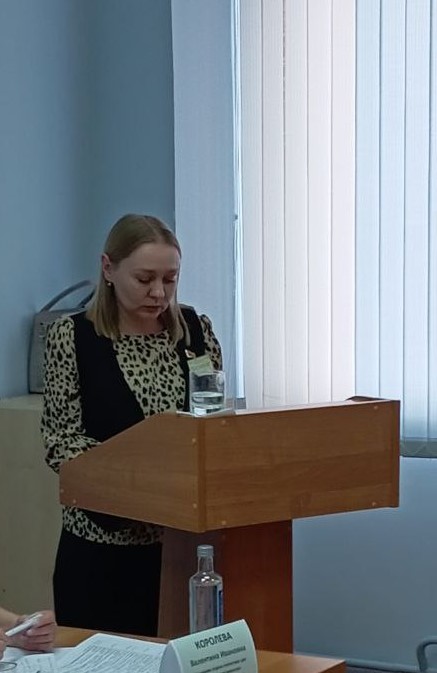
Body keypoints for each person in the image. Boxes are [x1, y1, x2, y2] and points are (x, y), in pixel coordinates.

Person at [41, 213, 223, 636]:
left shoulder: (195, 332)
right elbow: (61, 443)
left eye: (170, 279)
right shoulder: (72, 337)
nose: (159, 292)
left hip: (181, 545)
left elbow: (214, 428)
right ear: (108, 269)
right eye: (144, 279)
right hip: (102, 549)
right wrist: (142, 485)